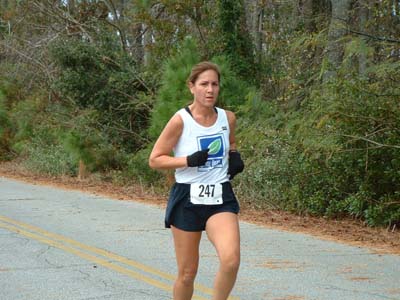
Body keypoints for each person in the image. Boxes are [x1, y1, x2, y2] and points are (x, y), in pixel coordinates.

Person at [149, 61, 244, 300]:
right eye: (204, 84)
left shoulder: (227, 118)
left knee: (231, 260)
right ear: (192, 87)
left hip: (220, 196)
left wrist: (234, 155)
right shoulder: (181, 120)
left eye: (214, 84)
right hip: (187, 198)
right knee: (188, 273)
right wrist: (188, 160)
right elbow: (155, 159)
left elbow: (231, 141)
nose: (210, 90)